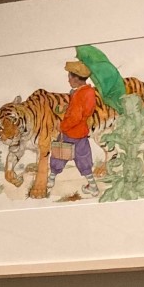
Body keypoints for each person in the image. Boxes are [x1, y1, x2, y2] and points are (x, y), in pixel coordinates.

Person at [46, 60, 100, 197]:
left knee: (59, 155)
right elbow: (84, 111)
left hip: (70, 132)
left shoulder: (79, 94)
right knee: (84, 159)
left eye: (69, 77)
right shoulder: (89, 91)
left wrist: (62, 126)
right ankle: (93, 187)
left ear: (76, 78)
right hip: (82, 133)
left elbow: (75, 117)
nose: (68, 80)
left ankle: (50, 180)